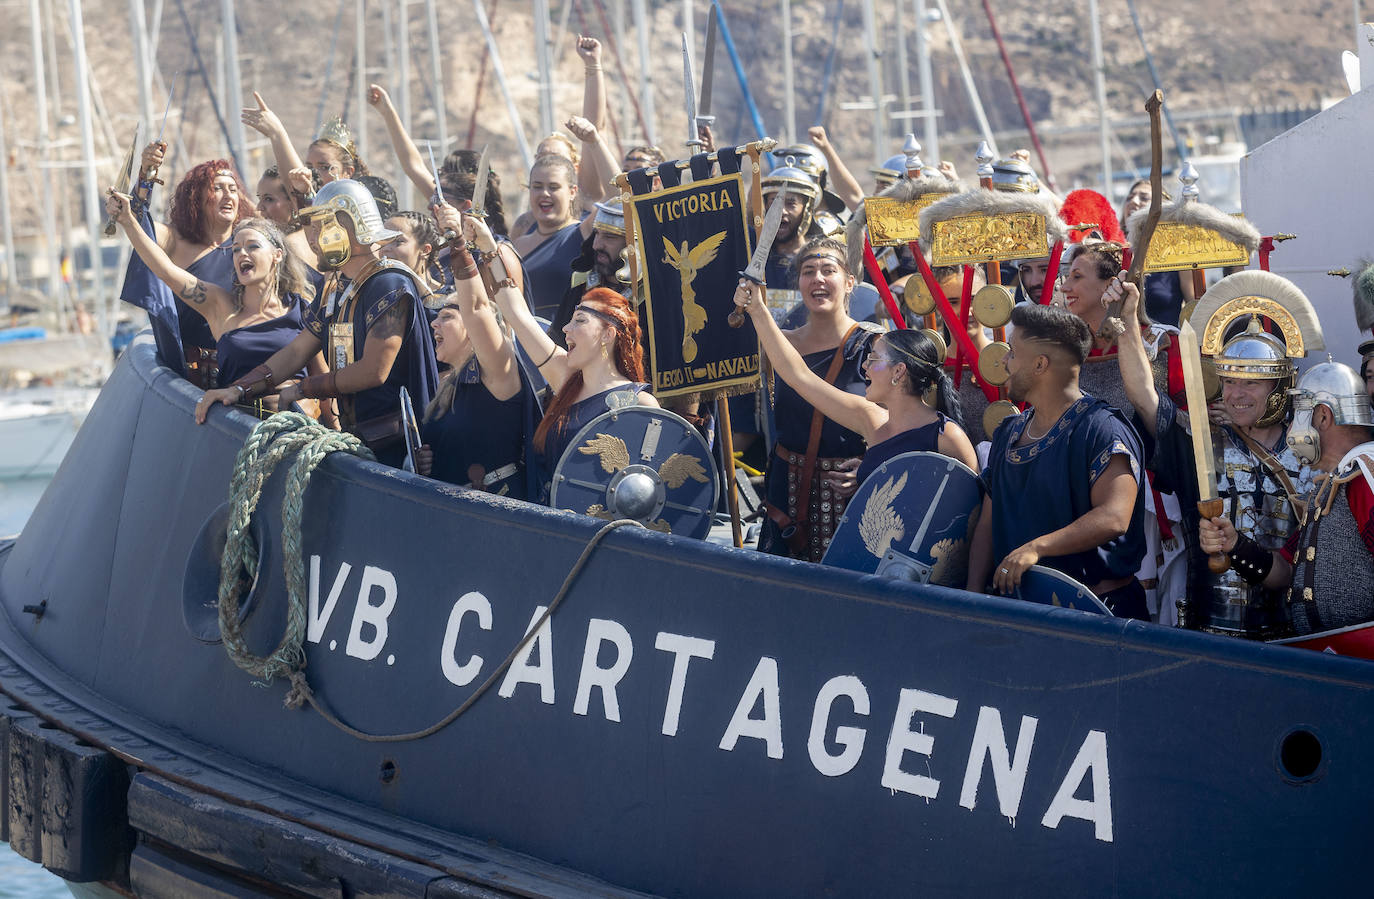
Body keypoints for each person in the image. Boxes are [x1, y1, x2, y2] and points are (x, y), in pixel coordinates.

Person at [1106, 271, 1317, 637]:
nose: (1236, 394)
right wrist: (1127, 321)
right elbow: (1143, 393)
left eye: (1250, 383)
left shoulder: (1312, 451)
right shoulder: (1199, 443)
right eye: (1230, 380)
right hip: (1210, 630)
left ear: (1280, 386)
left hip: (1291, 634)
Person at [195, 180, 438, 468]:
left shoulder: (389, 283)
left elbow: (375, 371)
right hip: (363, 443)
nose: (313, 240)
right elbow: (297, 351)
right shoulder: (336, 288)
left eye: (321, 227)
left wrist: (302, 389)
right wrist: (238, 390)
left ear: (346, 228)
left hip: (403, 449)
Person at [966, 303, 1148, 619]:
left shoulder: (1102, 429)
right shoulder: (1009, 431)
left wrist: (1038, 548)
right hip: (1020, 612)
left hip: (1097, 614)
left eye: (1012, 352)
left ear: (1040, 364)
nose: (1004, 362)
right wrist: (972, 594)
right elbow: (988, 520)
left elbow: (1114, 516)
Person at [735, 277, 977, 484]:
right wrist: (757, 309)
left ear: (898, 371)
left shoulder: (948, 437)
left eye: (873, 359)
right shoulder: (871, 420)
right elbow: (799, 376)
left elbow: (971, 509)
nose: (864, 366)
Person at [107, 193, 327, 419]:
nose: (242, 253)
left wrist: (338, 432)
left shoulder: (302, 308)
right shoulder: (220, 305)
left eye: (252, 246)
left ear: (277, 255)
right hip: (242, 426)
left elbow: (322, 376)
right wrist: (128, 222)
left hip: (301, 425)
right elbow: (165, 270)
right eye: (236, 249)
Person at [1199, 361, 1374, 636]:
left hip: (1356, 661)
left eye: (1299, 414)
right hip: (1327, 654)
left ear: (1323, 417)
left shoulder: (1365, 477)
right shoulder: (1329, 485)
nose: (1292, 426)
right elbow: (1285, 568)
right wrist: (1234, 544)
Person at [486, 235, 658, 500]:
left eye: (579, 320)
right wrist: (488, 248)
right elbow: (514, 311)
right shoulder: (564, 377)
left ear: (607, 334)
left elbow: (651, 489)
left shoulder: (641, 403)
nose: (566, 329)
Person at [747, 237, 881, 561]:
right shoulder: (778, 343)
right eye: (808, 271)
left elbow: (898, 424)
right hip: (786, 493)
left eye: (828, 270)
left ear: (849, 282)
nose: (818, 279)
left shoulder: (875, 346)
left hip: (851, 495)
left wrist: (869, 468)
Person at [415, 207, 538, 499]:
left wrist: (457, 242)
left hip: (497, 513)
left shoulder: (498, 371)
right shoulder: (447, 383)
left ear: (472, 329)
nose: (435, 322)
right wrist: (423, 462)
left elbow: (478, 309)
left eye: (447, 316)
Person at [120, 145, 256, 386]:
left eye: (233, 190)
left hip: (246, 374)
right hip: (192, 380)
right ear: (197, 198)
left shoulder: (251, 246)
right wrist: (146, 174)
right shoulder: (175, 241)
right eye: (218, 189)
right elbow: (137, 220)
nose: (228, 195)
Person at [513, 154, 594, 319]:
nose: (544, 193)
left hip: (569, 339)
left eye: (554, 187)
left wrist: (594, 142)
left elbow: (619, 195)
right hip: (524, 340)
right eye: (537, 186)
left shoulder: (583, 232)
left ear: (572, 192)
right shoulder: (518, 244)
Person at [547, 200, 630, 343]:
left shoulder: (648, 294)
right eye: (596, 234)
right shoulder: (580, 285)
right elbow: (558, 341)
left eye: (610, 237)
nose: (597, 245)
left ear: (632, 243)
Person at [1119, 178, 1194, 326]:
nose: (1133, 201)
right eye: (1129, 198)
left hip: (1167, 346)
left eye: (1144, 197)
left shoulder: (1178, 254)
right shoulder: (1114, 253)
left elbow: (1195, 307)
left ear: (1162, 208)